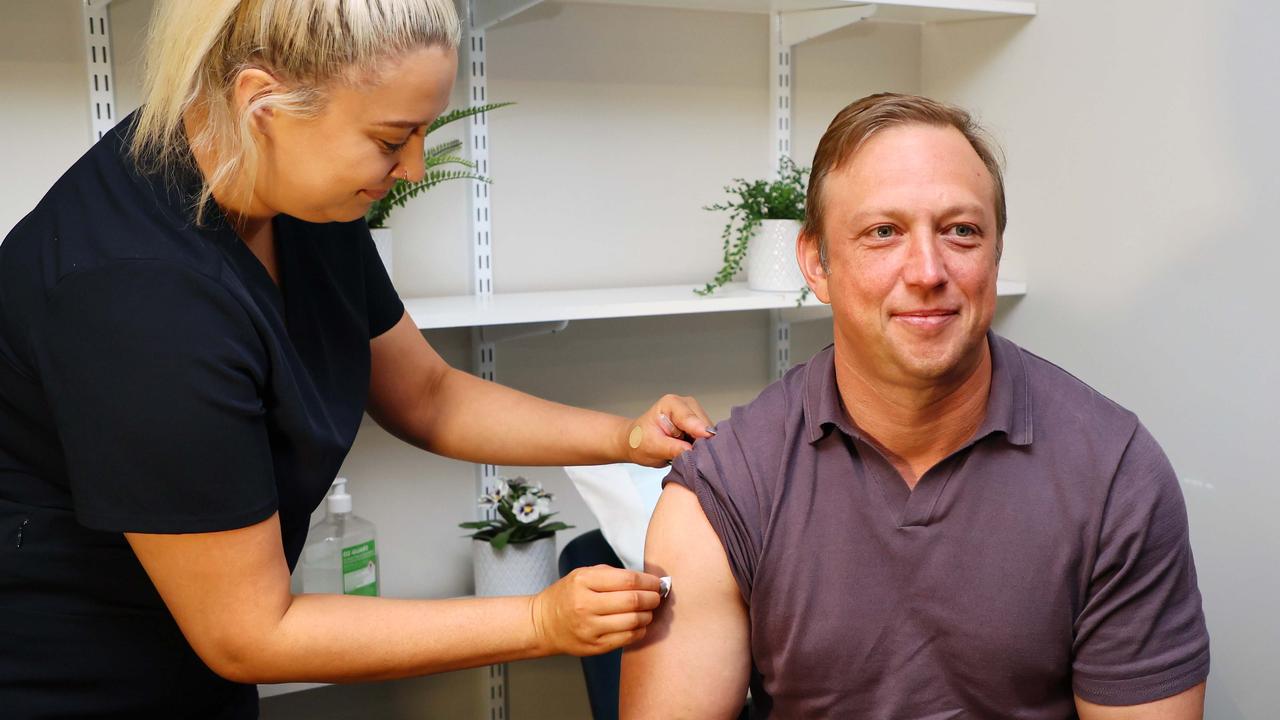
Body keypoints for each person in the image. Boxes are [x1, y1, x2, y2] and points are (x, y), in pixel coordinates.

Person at [0, 1, 714, 717]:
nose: (412, 168)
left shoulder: (292, 191)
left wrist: (623, 439)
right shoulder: (138, 295)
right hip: (70, 677)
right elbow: (250, 633)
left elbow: (429, 395)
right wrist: (539, 622)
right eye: (391, 138)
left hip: (192, 659)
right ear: (261, 102)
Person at [621, 93, 1210, 719]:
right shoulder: (725, 489)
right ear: (816, 262)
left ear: (996, 251)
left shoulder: (1115, 475)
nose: (927, 270)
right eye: (884, 232)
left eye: (961, 231)